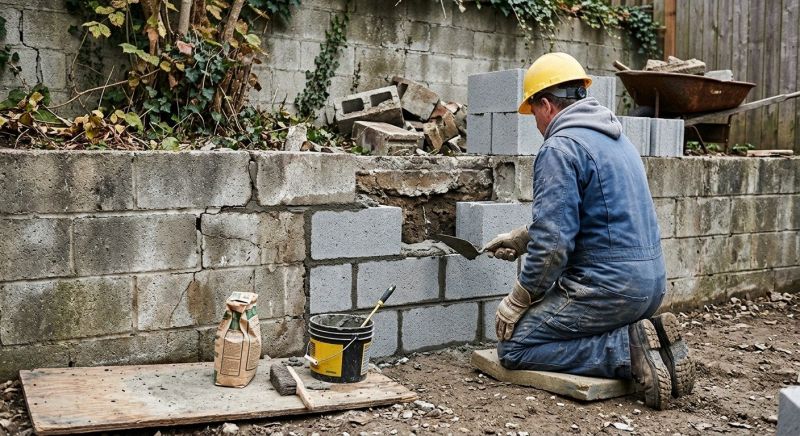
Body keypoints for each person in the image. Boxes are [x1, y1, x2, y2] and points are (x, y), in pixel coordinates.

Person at [481, 52, 694, 410]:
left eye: (533, 112)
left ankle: (627, 350)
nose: (535, 123)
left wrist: (518, 300)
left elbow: (553, 245)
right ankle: (652, 339)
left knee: (515, 347)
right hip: (650, 287)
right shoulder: (616, 140)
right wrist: (523, 238)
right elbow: (598, 216)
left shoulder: (559, 147)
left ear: (546, 105)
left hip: (608, 290)